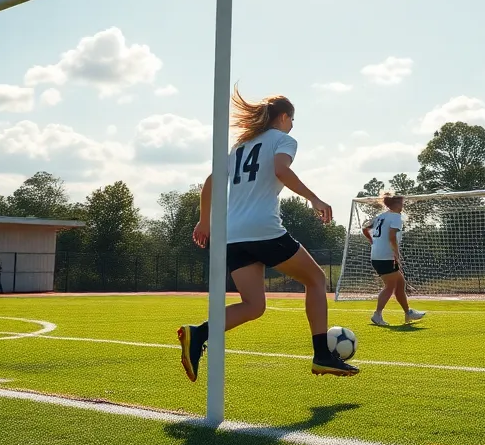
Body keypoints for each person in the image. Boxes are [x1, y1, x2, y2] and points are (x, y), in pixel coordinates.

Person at [179, 90, 359, 380]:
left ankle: (198, 333)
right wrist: (314, 198)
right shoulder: (283, 139)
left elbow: (211, 181)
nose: (293, 126)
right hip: (262, 228)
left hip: (233, 235)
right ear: (284, 116)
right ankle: (322, 355)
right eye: (292, 119)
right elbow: (280, 169)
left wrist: (204, 221)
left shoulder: (240, 145)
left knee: (254, 305)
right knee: (315, 280)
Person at [363, 192, 426, 327]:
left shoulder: (381, 216)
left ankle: (408, 312)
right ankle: (377, 314)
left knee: (400, 283)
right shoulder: (396, 217)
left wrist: (373, 242)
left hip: (377, 255)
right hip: (386, 256)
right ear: (396, 204)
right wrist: (396, 254)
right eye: (401, 202)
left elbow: (365, 229)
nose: (403, 205)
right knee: (390, 286)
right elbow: (392, 236)